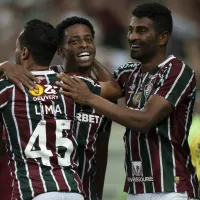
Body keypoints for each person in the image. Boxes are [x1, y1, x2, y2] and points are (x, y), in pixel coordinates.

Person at [56, 3, 199, 200]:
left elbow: (144, 120)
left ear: (163, 38)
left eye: (141, 31)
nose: (132, 37)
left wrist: (89, 97)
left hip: (172, 188)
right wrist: (86, 48)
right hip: (136, 188)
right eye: (131, 30)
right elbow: (109, 88)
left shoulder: (177, 71)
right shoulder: (127, 72)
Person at [0, 19, 105, 200]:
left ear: (24, 52)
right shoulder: (71, 83)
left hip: (33, 190)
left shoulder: (7, 88)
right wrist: (87, 53)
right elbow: (114, 89)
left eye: (18, 48)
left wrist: (2, 66)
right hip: (73, 190)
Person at [55, 16, 119, 200]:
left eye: (89, 39)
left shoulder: (104, 95)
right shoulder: (51, 79)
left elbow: (101, 153)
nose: (84, 44)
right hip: (51, 189)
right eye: (74, 41)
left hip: (85, 192)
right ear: (60, 50)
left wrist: (96, 195)